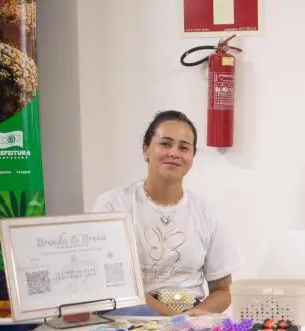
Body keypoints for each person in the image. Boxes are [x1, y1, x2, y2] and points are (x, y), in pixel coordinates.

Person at [91, 110, 242, 316]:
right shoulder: (112, 205)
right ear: (146, 148)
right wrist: (171, 320)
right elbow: (114, 283)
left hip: (191, 318)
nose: (174, 153)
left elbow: (223, 291)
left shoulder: (208, 214)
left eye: (184, 147)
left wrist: (192, 317)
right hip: (129, 319)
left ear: (192, 157)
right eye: (165, 144)